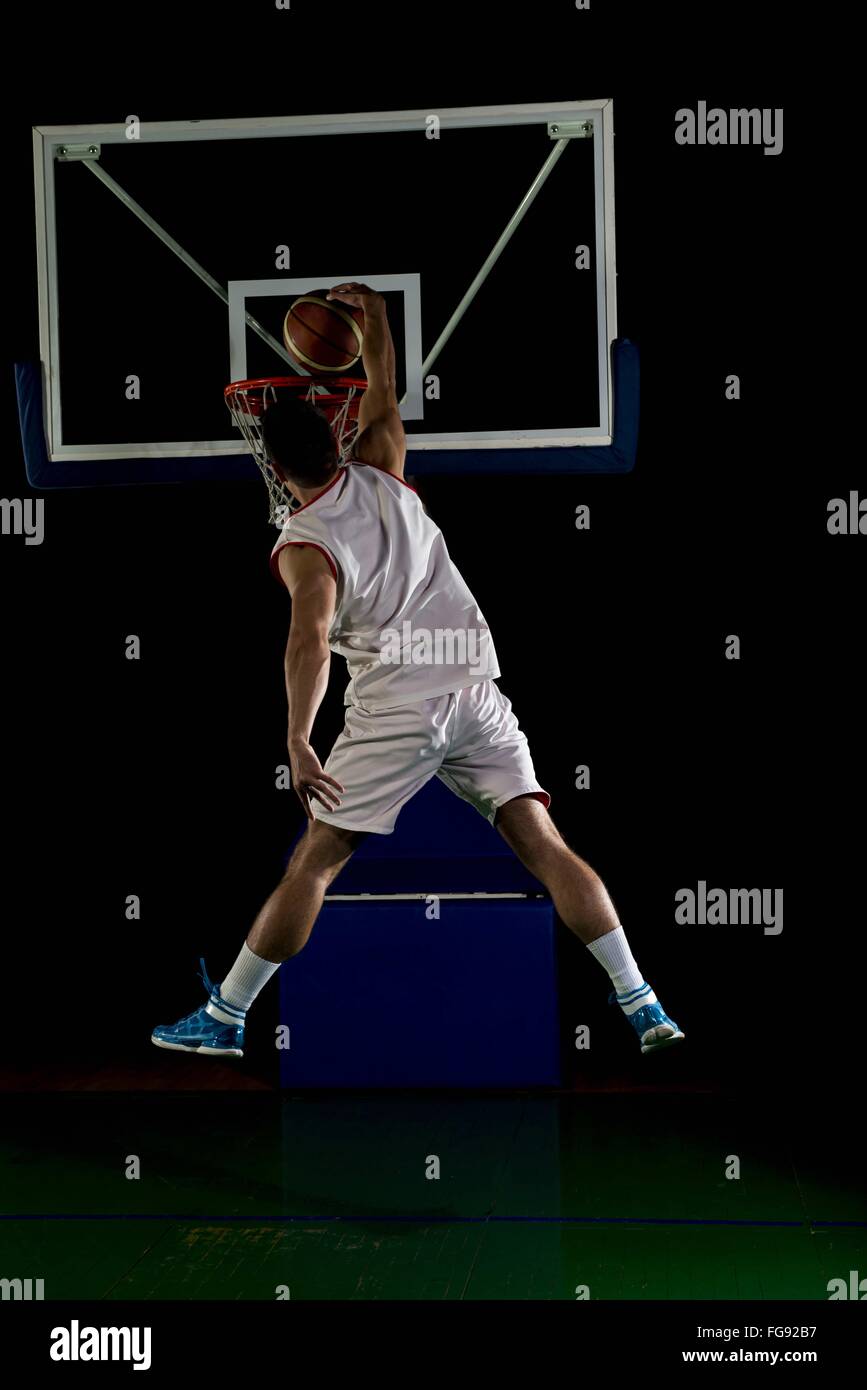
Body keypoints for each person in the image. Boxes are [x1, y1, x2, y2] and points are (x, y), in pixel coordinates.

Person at [152, 283, 683, 1060]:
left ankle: (226, 1018)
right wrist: (374, 315)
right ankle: (640, 1000)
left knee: (316, 862)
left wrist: (298, 739)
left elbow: (309, 640)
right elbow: (383, 389)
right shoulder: (383, 465)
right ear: (338, 438)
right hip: (475, 690)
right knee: (545, 845)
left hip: (399, 705)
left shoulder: (303, 543)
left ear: (270, 461)